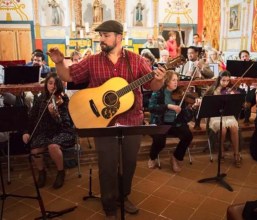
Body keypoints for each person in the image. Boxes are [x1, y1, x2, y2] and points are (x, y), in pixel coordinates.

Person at [47, 20, 166, 219]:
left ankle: (123, 196)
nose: (101, 39)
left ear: (119, 37)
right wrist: (59, 62)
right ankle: (109, 202)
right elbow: (67, 75)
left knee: (129, 163)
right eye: (100, 36)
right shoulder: (93, 60)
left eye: (106, 35)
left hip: (131, 120)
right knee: (107, 165)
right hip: (102, 122)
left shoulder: (136, 60)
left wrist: (160, 79)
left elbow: (152, 85)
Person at [22, 73, 76, 189]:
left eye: (56, 84)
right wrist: (26, 131)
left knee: (53, 146)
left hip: (62, 132)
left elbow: (65, 123)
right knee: (35, 151)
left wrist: (54, 115)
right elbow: (32, 117)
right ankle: (42, 172)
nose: (53, 86)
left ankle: (61, 172)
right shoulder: (40, 99)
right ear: (46, 84)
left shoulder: (64, 99)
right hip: (44, 132)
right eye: (50, 83)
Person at [147, 70, 198, 172]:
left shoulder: (180, 94)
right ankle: (152, 157)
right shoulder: (158, 92)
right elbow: (151, 108)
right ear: (166, 81)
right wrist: (168, 106)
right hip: (160, 122)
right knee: (160, 141)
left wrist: (192, 108)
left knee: (188, 136)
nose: (176, 82)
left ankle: (175, 158)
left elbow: (186, 117)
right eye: (173, 80)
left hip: (175, 123)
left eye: (177, 80)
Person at [206, 70, 242, 167]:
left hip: (228, 114)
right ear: (219, 79)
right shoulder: (213, 90)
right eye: (223, 80)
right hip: (215, 115)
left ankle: (236, 154)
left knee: (234, 128)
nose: (225, 83)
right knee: (222, 130)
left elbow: (236, 105)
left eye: (227, 81)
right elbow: (206, 102)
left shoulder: (231, 90)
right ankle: (221, 151)